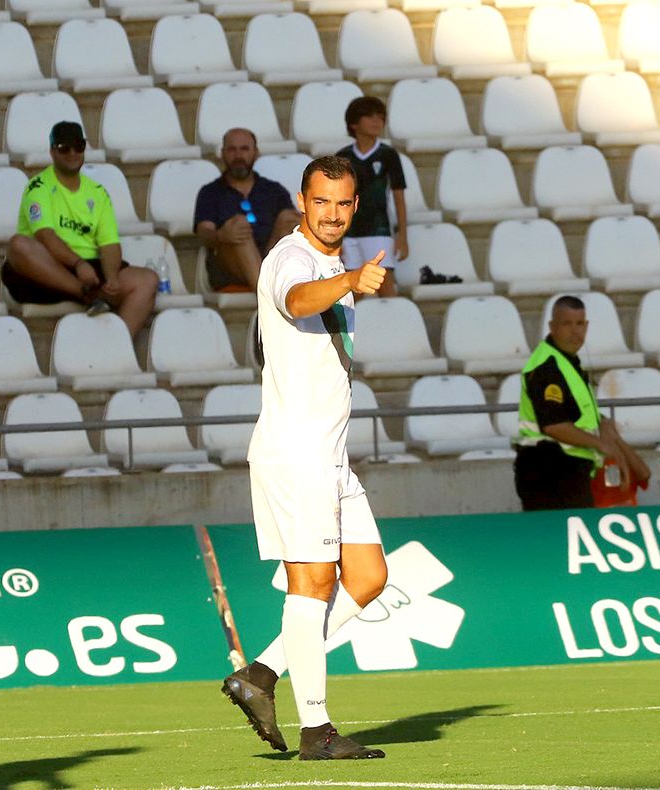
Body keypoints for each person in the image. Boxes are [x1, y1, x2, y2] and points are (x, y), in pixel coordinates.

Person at [221, 155, 389, 760]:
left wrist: (345, 276)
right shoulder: (293, 257)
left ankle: (261, 673)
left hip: (330, 453)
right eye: (322, 202)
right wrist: (347, 283)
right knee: (312, 585)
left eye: (344, 204)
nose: (333, 214)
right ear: (302, 199)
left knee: (367, 578)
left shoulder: (330, 259)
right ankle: (316, 731)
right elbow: (295, 300)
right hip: (297, 452)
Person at [2, 121, 158, 338]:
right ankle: (85, 294)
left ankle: (115, 350)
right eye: (64, 148)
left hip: (91, 271)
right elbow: (45, 237)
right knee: (18, 245)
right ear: (52, 151)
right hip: (48, 269)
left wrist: (112, 276)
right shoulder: (38, 187)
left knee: (147, 280)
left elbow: (109, 243)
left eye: (78, 146)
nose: (72, 153)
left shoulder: (97, 192)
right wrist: (78, 264)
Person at [514, 295, 651, 511]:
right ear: (552, 327)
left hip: (567, 471)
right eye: (567, 324)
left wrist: (603, 424)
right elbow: (554, 424)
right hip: (549, 470)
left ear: (587, 326)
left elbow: (576, 413)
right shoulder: (547, 366)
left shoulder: (566, 361)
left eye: (579, 324)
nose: (575, 331)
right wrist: (602, 444)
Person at [194, 128, 300, 293]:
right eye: (232, 149)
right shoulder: (210, 192)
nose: (238, 156)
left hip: (270, 258)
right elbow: (203, 233)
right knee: (239, 227)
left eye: (244, 149)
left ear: (256, 153)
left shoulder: (273, 189)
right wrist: (222, 235)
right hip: (230, 267)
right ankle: (270, 299)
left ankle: (272, 288)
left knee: (290, 218)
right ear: (222, 154)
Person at [335, 97, 405, 298]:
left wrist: (402, 236)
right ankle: (346, 330)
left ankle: (397, 327)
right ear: (354, 123)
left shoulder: (388, 155)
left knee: (385, 287)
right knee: (351, 292)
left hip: (378, 230)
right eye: (369, 116)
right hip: (349, 232)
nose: (377, 121)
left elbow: (399, 196)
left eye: (381, 117)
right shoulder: (342, 156)